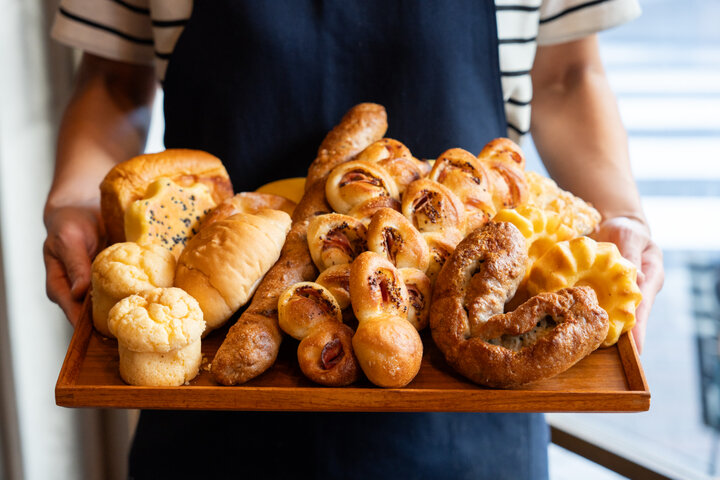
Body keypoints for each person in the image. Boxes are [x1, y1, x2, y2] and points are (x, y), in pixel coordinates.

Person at [44, 1, 664, 478]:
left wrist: (624, 216)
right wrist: (75, 200)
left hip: (465, 390)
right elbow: (113, 79)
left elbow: (567, 76)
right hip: (209, 385)